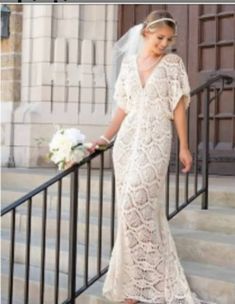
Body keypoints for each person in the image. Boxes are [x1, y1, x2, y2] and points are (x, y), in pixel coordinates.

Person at [87, 9, 215, 304]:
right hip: (128, 142)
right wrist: (105, 138)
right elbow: (123, 107)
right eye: (160, 38)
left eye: (169, 40)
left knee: (136, 204)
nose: (164, 44)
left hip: (156, 139)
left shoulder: (172, 65)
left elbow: (179, 107)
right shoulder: (129, 66)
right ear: (145, 33)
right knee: (130, 211)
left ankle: (152, 280)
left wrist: (184, 147)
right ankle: (134, 284)